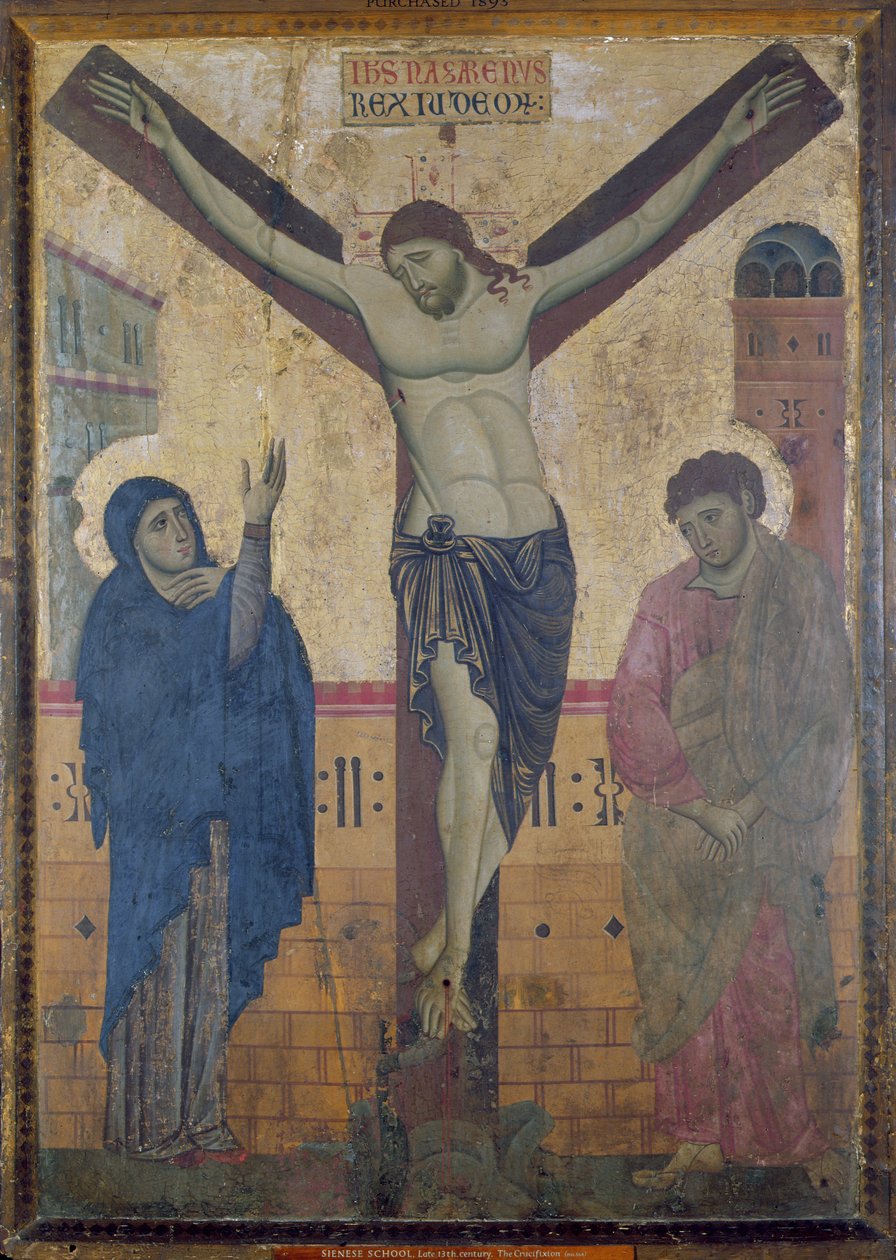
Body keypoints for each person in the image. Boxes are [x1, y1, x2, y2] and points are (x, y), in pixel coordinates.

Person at [88, 69, 804, 1039]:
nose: (414, 282)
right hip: (446, 553)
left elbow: (631, 233)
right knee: (472, 742)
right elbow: (261, 238)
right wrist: (171, 147)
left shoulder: (520, 295)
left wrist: (723, 142)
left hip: (535, 560)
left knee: (517, 759)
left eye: (422, 262)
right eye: (402, 268)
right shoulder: (374, 300)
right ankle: (454, 966)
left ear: (457, 249)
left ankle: (445, 936)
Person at [608, 451, 852, 1193]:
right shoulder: (665, 597)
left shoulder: (800, 585)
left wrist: (747, 807)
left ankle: (787, 1140)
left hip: (770, 822)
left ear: (747, 501)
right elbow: (633, 701)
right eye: (688, 529)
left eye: (711, 518)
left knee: (767, 976)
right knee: (684, 974)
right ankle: (699, 1139)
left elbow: (824, 710)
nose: (702, 538)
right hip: (680, 826)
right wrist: (699, 808)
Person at [77, 441, 315, 1164]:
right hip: (153, 835)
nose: (179, 530)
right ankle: (149, 1127)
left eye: (182, 515)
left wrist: (244, 560)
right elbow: (142, 706)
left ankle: (200, 1118)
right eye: (159, 523)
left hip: (212, 820)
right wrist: (243, 562)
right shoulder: (121, 614)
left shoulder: (215, 598)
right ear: (131, 543)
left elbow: (248, 644)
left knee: (208, 969)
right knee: (157, 971)